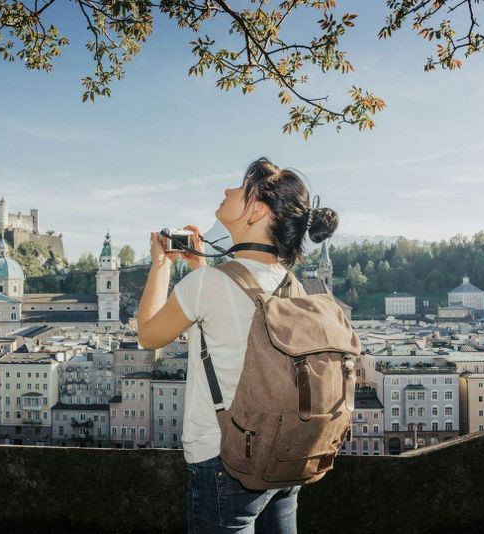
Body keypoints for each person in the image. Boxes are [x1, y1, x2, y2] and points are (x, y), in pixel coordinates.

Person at [137, 157, 339, 533]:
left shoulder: (209, 285)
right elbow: (234, 315)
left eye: (239, 188)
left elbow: (148, 335)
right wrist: (200, 267)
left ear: (257, 211)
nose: (227, 191)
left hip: (225, 459)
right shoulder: (292, 284)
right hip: (286, 454)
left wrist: (161, 264)